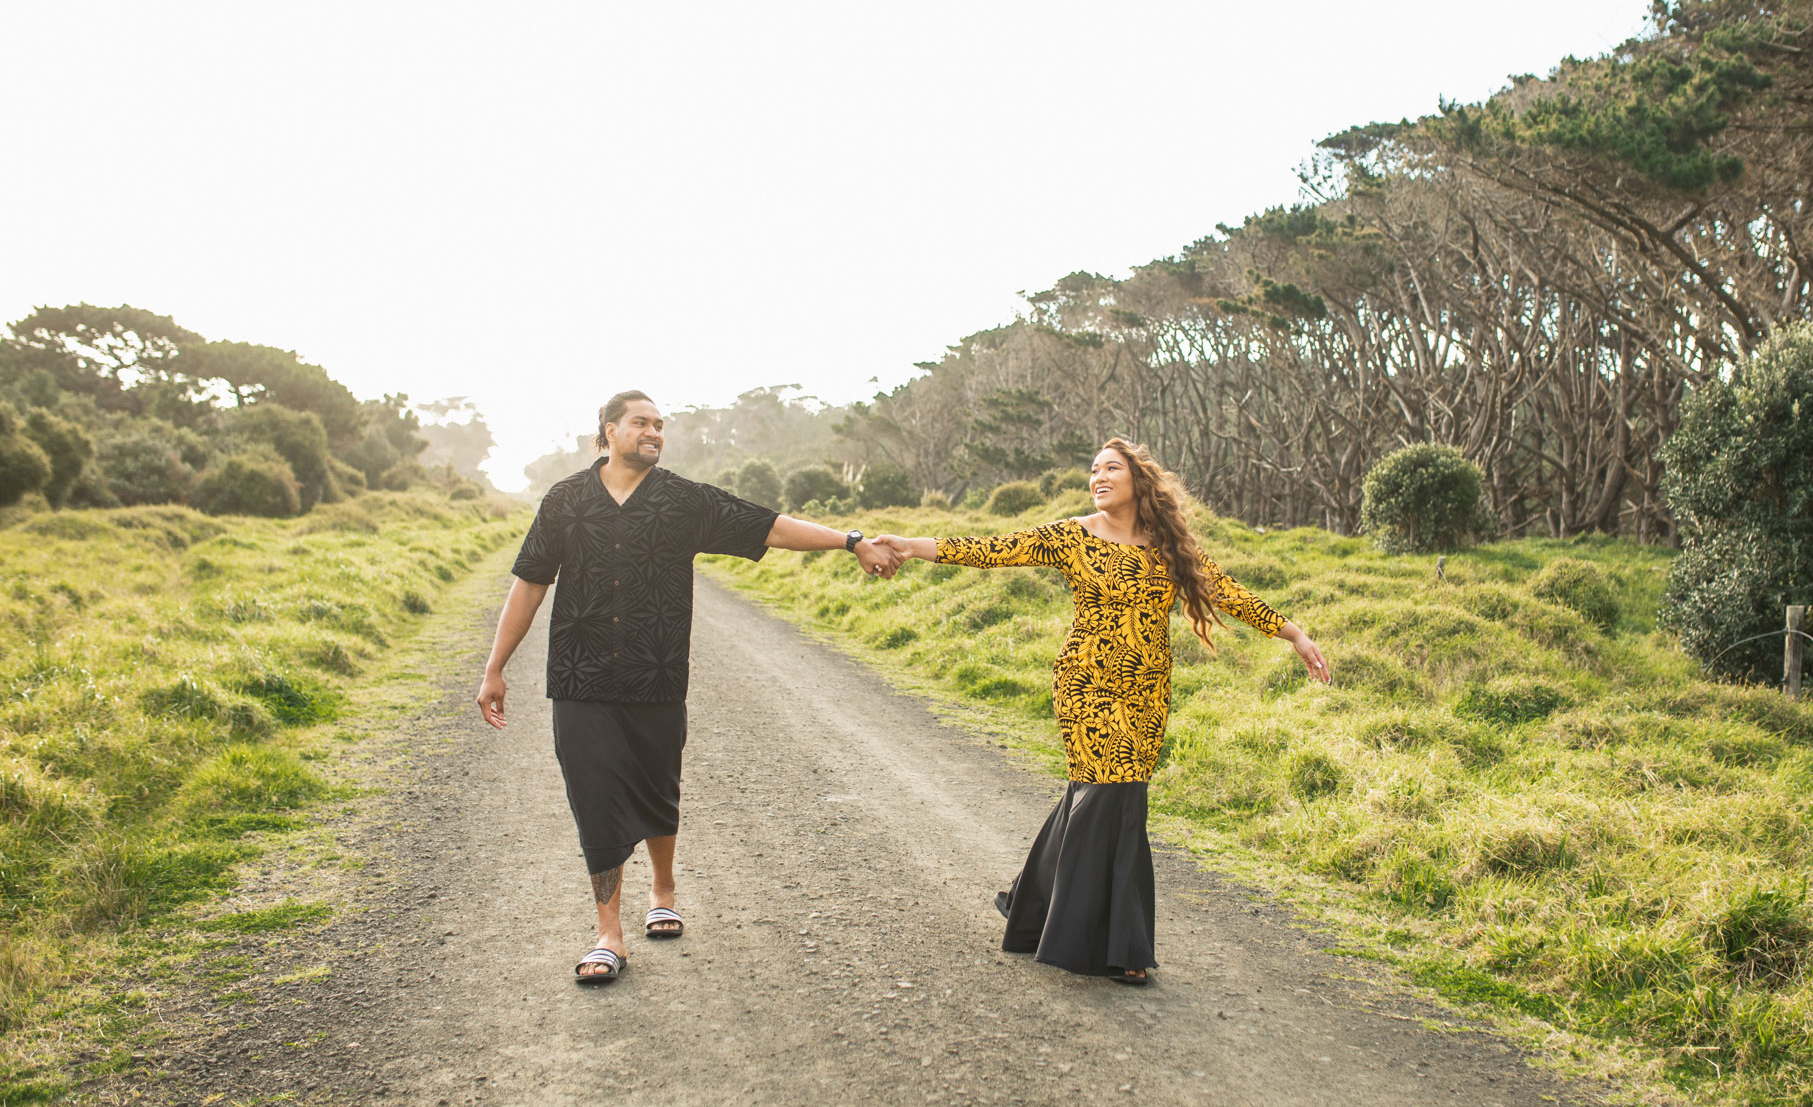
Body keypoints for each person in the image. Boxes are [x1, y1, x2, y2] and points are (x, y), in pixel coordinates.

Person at [477, 390, 901, 984]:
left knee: (657, 785)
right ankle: (608, 934)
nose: (654, 432)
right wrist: (495, 667)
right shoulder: (566, 500)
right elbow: (529, 583)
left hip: (657, 672)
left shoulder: (682, 500)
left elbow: (769, 526)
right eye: (641, 423)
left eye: (659, 425)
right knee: (594, 798)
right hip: (581, 676)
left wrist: (852, 541)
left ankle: (664, 891)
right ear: (607, 430)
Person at [875, 438, 1328, 985]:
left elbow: (1226, 591)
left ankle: (1030, 907)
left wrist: (1293, 633)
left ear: (1140, 480)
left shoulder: (1168, 545)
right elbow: (993, 548)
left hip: (1147, 690)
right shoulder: (1073, 536)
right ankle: (1120, 947)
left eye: (1111, 468)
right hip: (1086, 683)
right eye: (1093, 470)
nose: (1099, 476)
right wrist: (911, 545)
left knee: (1100, 792)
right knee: (1114, 794)